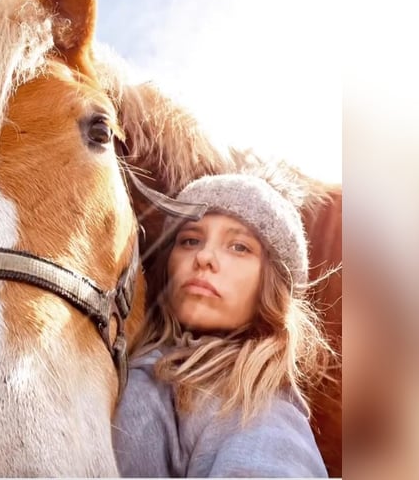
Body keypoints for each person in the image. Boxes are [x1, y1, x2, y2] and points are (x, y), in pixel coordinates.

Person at [112, 173, 333, 477]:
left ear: (270, 286)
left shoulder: (258, 413)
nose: (204, 257)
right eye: (190, 240)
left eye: (239, 247)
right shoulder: (115, 368)